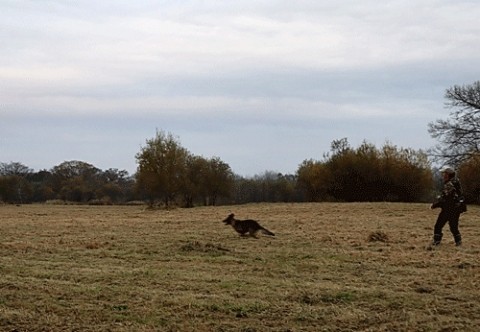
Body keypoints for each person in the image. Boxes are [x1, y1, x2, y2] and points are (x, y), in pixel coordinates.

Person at [430, 166, 466, 247]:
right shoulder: (457, 182)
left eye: (445, 174)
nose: (443, 176)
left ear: (449, 175)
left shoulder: (449, 184)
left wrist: (435, 205)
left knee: (438, 225)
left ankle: (436, 242)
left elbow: (445, 199)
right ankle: (458, 242)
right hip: (457, 208)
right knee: (453, 227)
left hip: (449, 208)